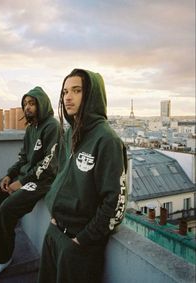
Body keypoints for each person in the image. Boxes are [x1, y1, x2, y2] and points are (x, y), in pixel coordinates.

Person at [38, 69, 128, 283]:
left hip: (78, 246)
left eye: (76, 90)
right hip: (54, 232)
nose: (67, 97)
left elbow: (115, 202)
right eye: (65, 91)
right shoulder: (69, 133)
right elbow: (60, 173)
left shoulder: (107, 140)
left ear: (91, 96)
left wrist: (83, 239)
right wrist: (54, 212)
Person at [0, 86, 60, 282]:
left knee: (7, 207)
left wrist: (22, 182)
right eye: (25, 103)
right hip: (26, 177)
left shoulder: (52, 126)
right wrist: (10, 176)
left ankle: (2, 258)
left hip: (44, 181)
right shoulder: (31, 129)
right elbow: (23, 159)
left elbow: (49, 165)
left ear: (42, 104)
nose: (27, 107)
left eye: (32, 103)